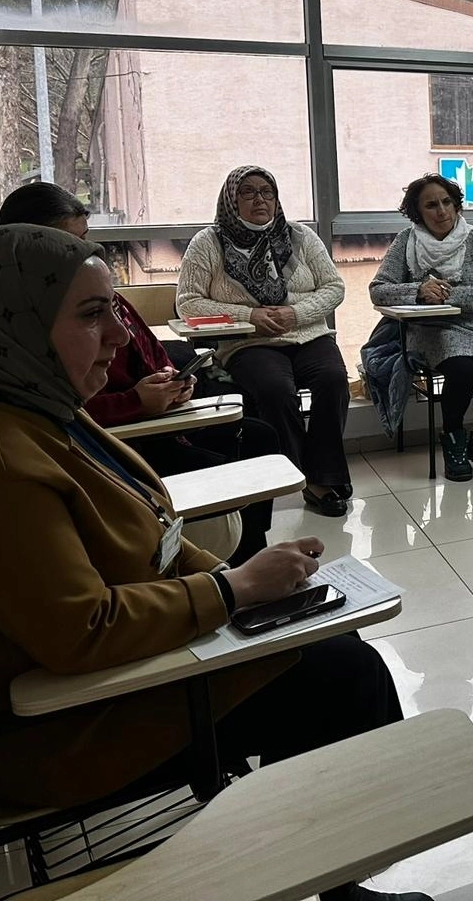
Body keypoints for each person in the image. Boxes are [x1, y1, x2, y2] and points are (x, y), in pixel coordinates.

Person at [0, 224, 430, 901]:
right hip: (75, 724)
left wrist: (245, 578)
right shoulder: (11, 460)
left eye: (114, 309)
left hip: (131, 663)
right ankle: (333, 881)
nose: (118, 335)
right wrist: (231, 591)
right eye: (90, 315)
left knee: (328, 637)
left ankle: (322, 865)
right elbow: (80, 628)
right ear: (17, 324)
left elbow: (154, 534)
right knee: (345, 676)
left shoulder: (50, 412)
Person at [0, 182, 278, 565]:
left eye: (86, 239)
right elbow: (70, 414)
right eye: (69, 246)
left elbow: (152, 350)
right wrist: (136, 402)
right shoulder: (30, 338)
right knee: (230, 470)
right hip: (130, 437)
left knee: (259, 437)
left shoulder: (103, 299)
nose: (117, 334)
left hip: (150, 420)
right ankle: (242, 564)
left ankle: (252, 557)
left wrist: (172, 380)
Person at [178, 165, 352, 517]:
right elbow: (188, 302)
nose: (260, 199)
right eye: (248, 192)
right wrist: (250, 316)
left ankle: (324, 474)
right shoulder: (208, 242)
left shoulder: (300, 236)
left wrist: (295, 314)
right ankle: (300, 472)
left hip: (307, 334)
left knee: (333, 380)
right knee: (275, 390)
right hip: (248, 342)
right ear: (231, 200)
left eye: (267, 192)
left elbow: (334, 287)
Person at [369, 174, 473, 481]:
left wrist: (449, 294)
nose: (441, 211)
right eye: (431, 205)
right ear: (418, 212)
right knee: (461, 368)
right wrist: (419, 290)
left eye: (446, 202)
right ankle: (453, 439)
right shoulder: (406, 241)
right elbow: (379, 290)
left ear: (456, 204)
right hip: (431, 327)